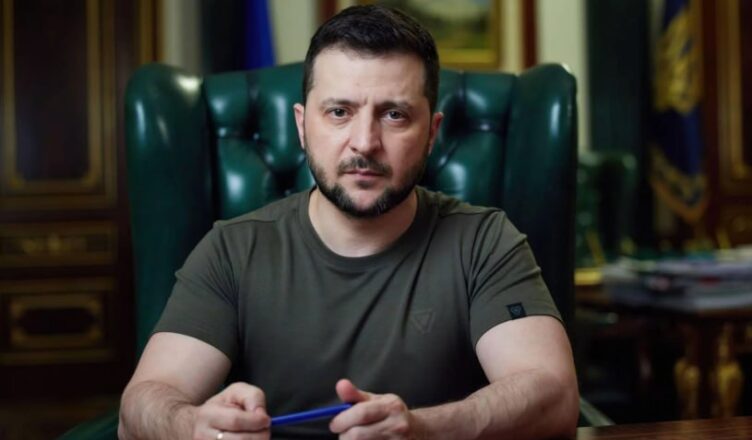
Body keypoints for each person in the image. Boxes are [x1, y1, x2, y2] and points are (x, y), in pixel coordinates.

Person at [118, 5, 579, 440]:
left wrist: (424, 430)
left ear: (432, 133)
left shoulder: (485, 241)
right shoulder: (231, 250)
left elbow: (555, 397)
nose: (365, 142)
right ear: (302, 126)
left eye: (394, 115)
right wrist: (194, 426)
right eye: (339, 112)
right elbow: (140, 406)